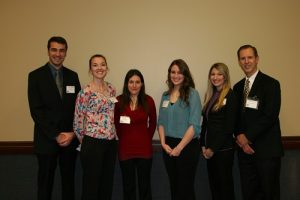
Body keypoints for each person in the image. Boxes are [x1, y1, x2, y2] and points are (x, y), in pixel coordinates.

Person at [28, 36, 81, 200]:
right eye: (54, 50)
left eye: (61, 50)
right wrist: (56, 135)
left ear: (66, 53)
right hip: (46, 139)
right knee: (45, 184)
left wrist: (72, 133)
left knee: (68, 183)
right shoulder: (35, 76)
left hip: (69, 140)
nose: (58, 54)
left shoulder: (73, 76)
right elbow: (36, 111)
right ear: (48, 51)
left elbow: (78, 109)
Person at [233, 45, 284, 200]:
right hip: (245, 152)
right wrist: (242, 141)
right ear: (239, 62)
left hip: (267, 152)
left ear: (257, 59)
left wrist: (247, 137)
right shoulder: (238, 87)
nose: (246, 61)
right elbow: (235, 117)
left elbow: (270, 116)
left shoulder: (271, 84)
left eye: (250, 57)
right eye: (243, 58)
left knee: (269, 194)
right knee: (249, 194)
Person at [73, 54, 117, 200]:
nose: (100, 68)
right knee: (91, 187)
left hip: (110, 143)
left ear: (107, 67)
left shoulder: (111, 89)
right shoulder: (85, 92)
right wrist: (85, 142)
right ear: (90, 69)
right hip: (92, 143)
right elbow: (78, 122)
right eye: (95, 65)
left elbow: (112, 115)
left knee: (107, 185)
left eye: (102, 64)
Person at [157, 59, 202, 200]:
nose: (176, 75)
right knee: (174, 186)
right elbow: (161, 122)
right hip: (168, 146)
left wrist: (180, 147)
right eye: (173, 72)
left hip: (187, 146)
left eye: (179, 72)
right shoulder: (165, 95)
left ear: (185, 74)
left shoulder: (192, 94)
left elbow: (194, 125)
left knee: (185, 189)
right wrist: (163, 144)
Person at [114, 69, 157, 200]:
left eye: (137, 82)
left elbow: (153, 123)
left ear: (142, 84)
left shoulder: (149, 100)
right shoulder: (119, 101)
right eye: (131, 82)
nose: (134, 85)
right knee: (128, 187)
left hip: (144, 150)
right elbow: (117, 124)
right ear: (126, 84)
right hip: (125, 150)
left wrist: (145, 138)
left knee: (145, 187)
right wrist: (125, 139)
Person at [200, 63, 237, 200]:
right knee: (214, 187)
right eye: (213, 74)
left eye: (219, 74)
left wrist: (213, 149)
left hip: (223, 150)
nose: (215, 77)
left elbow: (229, 128)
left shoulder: (231, 95)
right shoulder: (210, 95)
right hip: (209, 150)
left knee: (225, 188)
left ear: (225, 76)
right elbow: (205, 123)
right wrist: (203, 145)